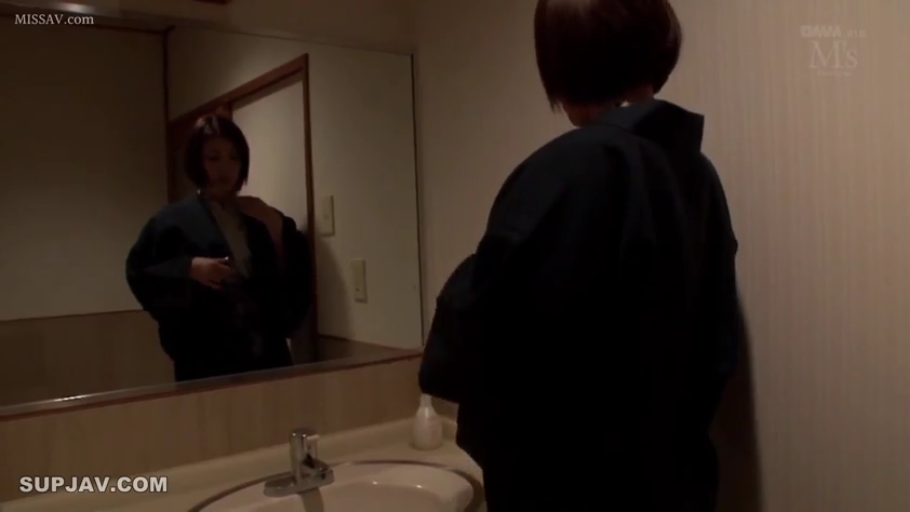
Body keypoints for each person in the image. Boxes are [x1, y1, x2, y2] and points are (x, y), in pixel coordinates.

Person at [418, 0, 745, 511]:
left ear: (562, 62)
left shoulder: (570, 168)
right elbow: (718, 344)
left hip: (571, 487)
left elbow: (481, 332)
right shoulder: (698, 175)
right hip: (675, 482)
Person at [126, 115, 312, 382]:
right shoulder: (172, 221)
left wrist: (277, 227)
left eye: (234, 157)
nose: (225, 167)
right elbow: (139, 271)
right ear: (197, 161)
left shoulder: (258, 215)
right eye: (213, 158)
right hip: (205, 361)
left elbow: (292, 278)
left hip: (268, 357)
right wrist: (189, 268)